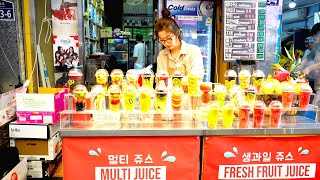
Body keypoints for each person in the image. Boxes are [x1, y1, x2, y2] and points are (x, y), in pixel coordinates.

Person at [154, 8, 204, 79]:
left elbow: (197, 77)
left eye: (169, 38)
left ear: (177, 33)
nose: (166, 43)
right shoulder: (162, 55)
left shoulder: (193, 51)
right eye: (162, 40)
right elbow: (160, 81)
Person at [301, 23, 320, 92]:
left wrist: (309, 68)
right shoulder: (317, 46)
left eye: (315, 35)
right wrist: (298, 68)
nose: (314, 38)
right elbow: (308, 58)